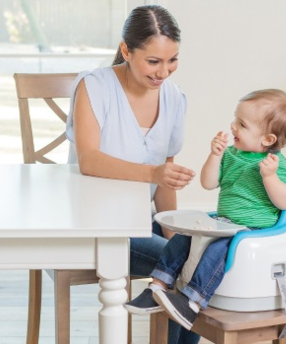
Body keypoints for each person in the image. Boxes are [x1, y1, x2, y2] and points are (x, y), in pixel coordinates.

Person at [65, 5, 201, 344]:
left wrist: (176, 238)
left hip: (139, 221)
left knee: (197, 260)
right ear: (126, 50)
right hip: (94, 224)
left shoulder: (174, 98)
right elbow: (89, 160)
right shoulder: (94, 86)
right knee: (184, 268)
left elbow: (164, 186)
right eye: (153, 61)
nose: (164, 72)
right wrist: (153, 172)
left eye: (173, 60)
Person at [125, 89, 286, 331]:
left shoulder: (275, 166)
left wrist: (269, 177)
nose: (233, 126)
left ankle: (192, 301)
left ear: (267, 139)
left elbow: (285, 202)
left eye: (242, 124)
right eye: (235, 119)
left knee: (216, 250)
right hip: (226, 221)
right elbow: (208, 183)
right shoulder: (232, 155)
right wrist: (215, 156)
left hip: (251, 230)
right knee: (185, 236)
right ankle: (157, 285)